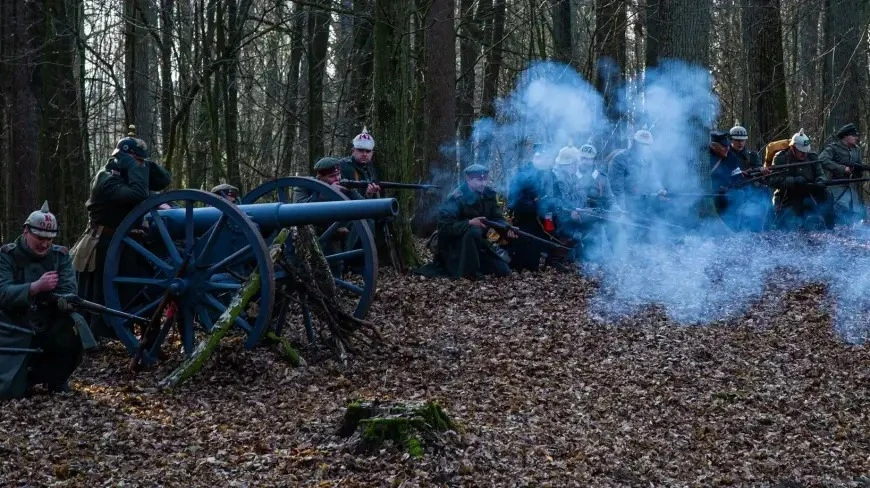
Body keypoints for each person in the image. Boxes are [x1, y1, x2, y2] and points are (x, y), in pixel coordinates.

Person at [73, 130, 172, 339]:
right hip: (104, 244)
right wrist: (130, 164)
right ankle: (99, 341)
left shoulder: (132, 175)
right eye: (135, 161)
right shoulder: (105, 179)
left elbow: (163, 180)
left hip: (131, 244)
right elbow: (138, 195)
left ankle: (148, 338)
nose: (139, 166)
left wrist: (145, 164)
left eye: (140, 162)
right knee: (102, 297)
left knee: (143, 291)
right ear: (122, 158)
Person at [0, 202, 91, 398]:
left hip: (48, 320)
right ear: (26, 232)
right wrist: (35, 287)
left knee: (74, 325)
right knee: (9, 392)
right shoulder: (7, 255)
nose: (45, 244)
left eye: (50, 239)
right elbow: (3, 293)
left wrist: (62, 301)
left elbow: (68, 288)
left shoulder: (60, 256)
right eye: (40, 238)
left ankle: (56, 378)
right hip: (12, 326)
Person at [432, 164, 515, 279]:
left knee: (503, 271)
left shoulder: (488, 194)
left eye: (485, 179)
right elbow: (444, 228)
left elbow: (497, 218)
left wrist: (506, 228)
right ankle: (468, 273)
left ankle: (476, 267)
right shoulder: (456, 198)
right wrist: (469, 223)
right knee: (473, 231)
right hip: (456, 249)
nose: (483, 183)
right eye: (479, 180)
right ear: (468, 179)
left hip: (480, 245)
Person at [767, 129, 834, 230]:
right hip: (788, 196)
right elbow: (773, 180)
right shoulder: (781, 158)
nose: (804, 154)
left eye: (806, 151)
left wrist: (820, 182)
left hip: (810, 194)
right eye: (801, 151)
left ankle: (829, 227)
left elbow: (820, 174)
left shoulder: (812, 157)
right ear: (793, 148)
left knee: (827, 194)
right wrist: (793, 180)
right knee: (788, 224)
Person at [506, 144, 558, 271]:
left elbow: (557, 197)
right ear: (534, 157)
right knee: (529, 259)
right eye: (539, 156)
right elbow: (514, 202)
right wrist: (536, 205)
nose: (543, 160)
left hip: (548, 219)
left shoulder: (551, 176)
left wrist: (552, 204)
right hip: (526, 221)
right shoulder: (521, 175)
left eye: (545, 157)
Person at [819, 123, 865, 224]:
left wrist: (857, 171)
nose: (856, 138)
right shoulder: (833, 148)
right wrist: (842, 169)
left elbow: (859, 167)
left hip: (849, 185)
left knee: (858, 210)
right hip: (835, 184)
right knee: (841, 207)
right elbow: (822, 159)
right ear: (845, 137)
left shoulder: (856, 150)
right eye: (853, 136)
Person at [340, 126, 381, 198]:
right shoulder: (344, 166)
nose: (365, 154)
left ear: (372, 153)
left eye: (368, 151)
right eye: (361, 150)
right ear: (353, 151)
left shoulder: (371, 167)